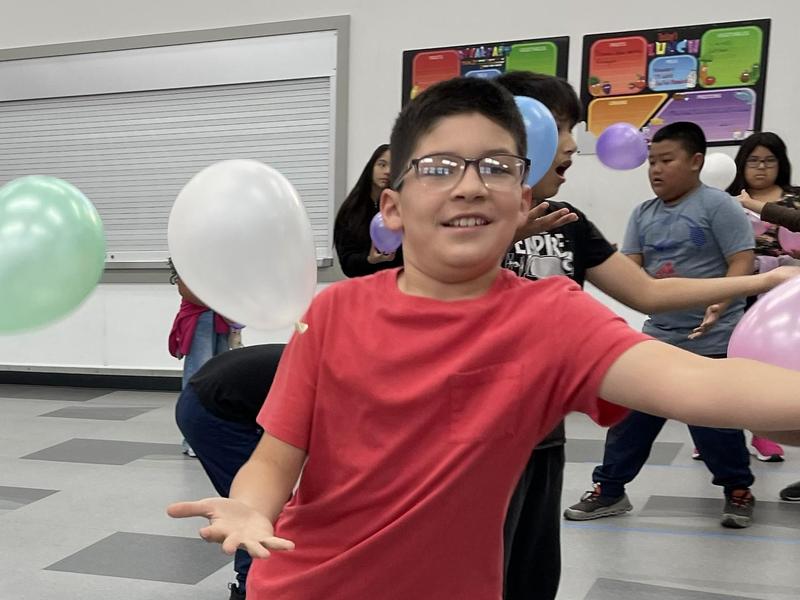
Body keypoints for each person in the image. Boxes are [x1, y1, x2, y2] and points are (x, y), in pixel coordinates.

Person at [168, 78, 800, 600]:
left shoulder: (551, 318)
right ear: (393, 207)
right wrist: (251, 506)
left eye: (496, 167)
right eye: (439, 168)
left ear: (522, 201)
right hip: (305, 586)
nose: (469, 184)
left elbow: (700, 382)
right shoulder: (333, 312)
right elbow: (275, 458)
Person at [495, 72, 800, 600]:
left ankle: (728, 486)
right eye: (562, 128)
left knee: (531, 575)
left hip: (542, 433)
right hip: (478, 438)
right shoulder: (457, 230)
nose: (572, 146)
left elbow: (646, 292)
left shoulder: (567, 222)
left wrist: (763, 281)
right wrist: (491, 245)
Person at [564, 121, 759, 529]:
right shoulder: (643, 213)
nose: (655, 169)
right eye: (651, 161)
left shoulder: (718, 206)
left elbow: (742, 259)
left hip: (713, 338)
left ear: (696, 161)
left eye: (666, 160)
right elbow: (632, 270)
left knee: (714, 424)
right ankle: (610, 490)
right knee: (631, 416)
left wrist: (721, 303)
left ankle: (738, 490)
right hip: (659, 336)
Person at [175, 344, 285, 600]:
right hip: (213, 411)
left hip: (212, 396)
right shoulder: (334, 380)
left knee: (266, 507)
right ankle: (247, 589)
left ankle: (256, 584)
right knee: (258, 510)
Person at [728, 132, 800, 461]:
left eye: (769, 160)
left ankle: (765, 431)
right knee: (731, 362)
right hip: (737, 288)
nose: (761, 167)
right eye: (753, 160)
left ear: (780, 163)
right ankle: (718, 432)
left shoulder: (794, 199)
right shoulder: (727, 201)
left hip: (785, 296)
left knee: (772, 365)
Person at [167, 258, 233, 456]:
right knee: (198, 376)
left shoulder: (222, 258)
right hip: (200, 317)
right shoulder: (189, 256)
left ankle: (217, 435)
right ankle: (193, 440)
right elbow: (185, 290)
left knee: (223, 376)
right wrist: (219, 302)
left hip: (222, 317)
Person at [333, 144, 403, 277]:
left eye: (393, 167)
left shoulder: (402, 208)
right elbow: (347, 263)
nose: (388, 171)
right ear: (371, 167)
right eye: (382, 165)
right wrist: (369, 259)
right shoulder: (351, 210)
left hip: (397, 283)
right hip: (365, 284)